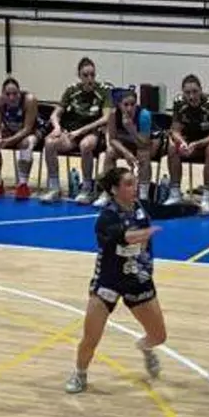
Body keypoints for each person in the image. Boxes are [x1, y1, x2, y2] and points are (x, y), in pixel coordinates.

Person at [65, 166, 167, 394]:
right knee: (91, 337)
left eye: (135, 183)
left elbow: (169, 211)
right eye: (128, 184)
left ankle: (144, 347)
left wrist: (193, 208)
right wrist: (144, 234)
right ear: (114, 189)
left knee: (159, 336)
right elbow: (120, 236)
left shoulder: (141, 207)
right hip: (108, 281)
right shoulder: (106, 216)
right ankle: (80, 374)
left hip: (138, 278)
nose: (134, 188)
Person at [42, 57, 110, 204]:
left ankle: (86, 188)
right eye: (85, 75)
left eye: (92, 75)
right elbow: (55, 114)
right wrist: (57, 127)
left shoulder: (103, 90)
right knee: (49, 142)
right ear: (79, 76)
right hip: (71, 132)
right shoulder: (72, 90)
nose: (90, 79)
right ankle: (54, 188)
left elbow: (106, 118)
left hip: (92, 131)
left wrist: (81, 131)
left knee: (86, 145)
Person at [164, 75, 209, 213]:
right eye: (187, 93)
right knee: (172, 147)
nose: (191, 96)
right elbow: (175, 131)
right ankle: (175, 193)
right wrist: (182, 142)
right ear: (183, 93)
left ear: (201, 90)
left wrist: (196, 144)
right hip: (190, 138)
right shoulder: (179, 102)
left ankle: (206, 196)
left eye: (195, 92)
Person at [0, 77, 41, 200]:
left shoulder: (29, 100)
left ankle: (23, 184)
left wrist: (9, 141)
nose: (11, 97)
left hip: (31, 132)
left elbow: (27, 129)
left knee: (25, 144)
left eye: (15, 94)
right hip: (9, 130)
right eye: (8, 94)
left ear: (19, 92)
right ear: (2, 94)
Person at [103, 89, 159, 204]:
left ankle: (143, 195)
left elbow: (144, 144)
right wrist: (126, 153)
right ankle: (108, 192)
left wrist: (131, 129)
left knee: (143, 154)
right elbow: (112, 139)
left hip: (149, 143)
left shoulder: (144, 115)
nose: (129, 108)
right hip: (127, 143)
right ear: (119, 105)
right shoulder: (113, 114)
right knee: (110, 152)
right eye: (126, 105)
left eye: (132, 104)